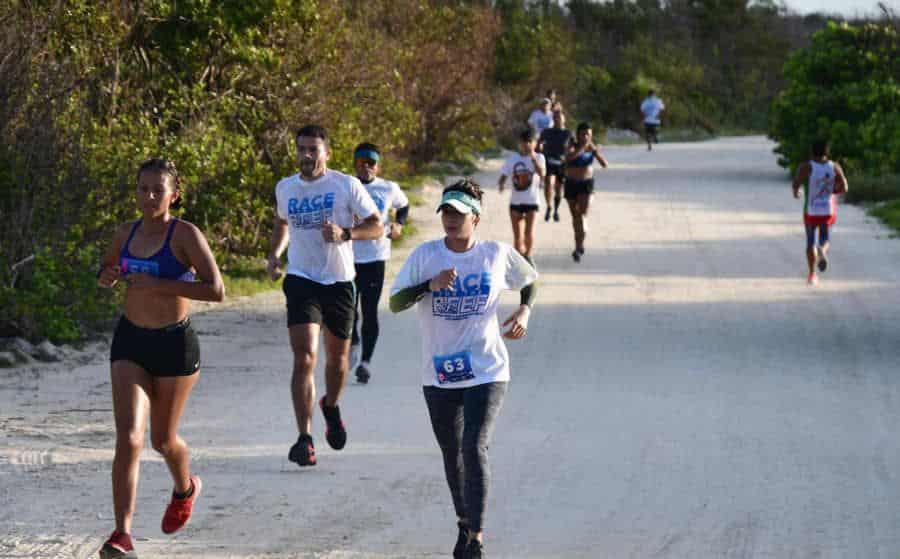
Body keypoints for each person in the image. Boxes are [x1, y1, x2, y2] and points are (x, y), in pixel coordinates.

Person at [389, 179, 538, 559]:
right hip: (439, 373)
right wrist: (429, 285)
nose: (451, 219)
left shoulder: (494, 253)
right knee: (452, 452)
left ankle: (477, 538)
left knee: (474, 445)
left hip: (487, 369)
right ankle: (464, 522)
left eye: (459, 213)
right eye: (446, 212)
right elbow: (395, 302)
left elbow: (529, 277)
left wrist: (524, 309)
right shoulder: (426, 256)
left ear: (475, 217)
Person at [96, 159, 225, 559]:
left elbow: (216, 289)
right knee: (129, 438)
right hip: (131, 341)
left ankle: (185, 488)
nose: (149, 196)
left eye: (157, 190)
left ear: (174, 194)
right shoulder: (125, 233)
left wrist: (161, 285)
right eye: (142, 188)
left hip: (174, 344)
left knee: (162, 440)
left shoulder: (185, 234)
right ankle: (122, 535)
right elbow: (106, 268)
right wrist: (107, 275)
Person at [267, 125, 382, 466]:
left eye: (313, 149)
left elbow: (377, 224)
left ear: (326, 153)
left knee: (338, 361)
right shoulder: (285, 187)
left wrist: (347, 233)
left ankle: (330, 405)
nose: (306, 155)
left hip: (340, 282)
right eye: (301, 148)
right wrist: (275, 255)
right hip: (302, 279)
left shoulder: (346, 184)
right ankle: (305, 438)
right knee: (304, 357)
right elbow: (282, 223)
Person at [349, 142, 410, 383]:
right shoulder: (346, 186)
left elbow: (403, 205)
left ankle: (366, 362)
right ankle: (352, 342)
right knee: (348, 309)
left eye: (371, 162)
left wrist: (399, 224)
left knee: (370, 310)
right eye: (361, 162)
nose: (366, 167)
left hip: (375, 256)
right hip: (348, 256)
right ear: (355, 163)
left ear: (378, 165)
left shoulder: (388, 188)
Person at [791, 140, 849, 285]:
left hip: (811, 210)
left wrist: (796, 192)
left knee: (810, 241)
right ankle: (822, 250)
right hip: (827, 210)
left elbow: (796, 183)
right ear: (827, 152)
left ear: (811, 152)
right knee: (825, 238)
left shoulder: (806, 167)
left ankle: (812, 275)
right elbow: (845, 187)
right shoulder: (834, 166)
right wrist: (835, 191)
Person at [498, 129, 546, 263]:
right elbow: (504, 173)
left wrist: (533, 159)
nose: (527, 145)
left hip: (532, 201)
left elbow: (542, 174)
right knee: (517, 235)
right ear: (519, 144)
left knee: (528, 232)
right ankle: (519, 260)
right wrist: (501, 184)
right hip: (515, 202)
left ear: (535, 143)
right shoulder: (513, 159)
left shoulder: (540, 158)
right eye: (524, 142)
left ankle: (529, 256)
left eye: (530, 142)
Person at [564, 122, 609, 262]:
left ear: (591, 135)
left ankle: (578, 247)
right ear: (577, 135)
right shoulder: (571, 146)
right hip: (571, 184)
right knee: (575, 217)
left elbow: (604, 164)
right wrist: (582, 148)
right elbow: (569, 158)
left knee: (582, 215)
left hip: (586, 184)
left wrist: (595, 152)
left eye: (588, 134)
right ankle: (578, 243)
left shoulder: (592, 148)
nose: (585, 137)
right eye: (582, 134)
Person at [538, 110, 572, 222]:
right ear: (553, 119)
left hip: (562, 164)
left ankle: (556, 210)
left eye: (560, 118)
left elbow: (574, 147)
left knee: (559, 190)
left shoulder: (568, 133)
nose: (558, 120)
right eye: (556, 118)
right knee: (549, 184)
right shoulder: (546, 132)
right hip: (549, 162)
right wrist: (540, 150)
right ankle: (549, 206)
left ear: (564, 120)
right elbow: (538, 145)